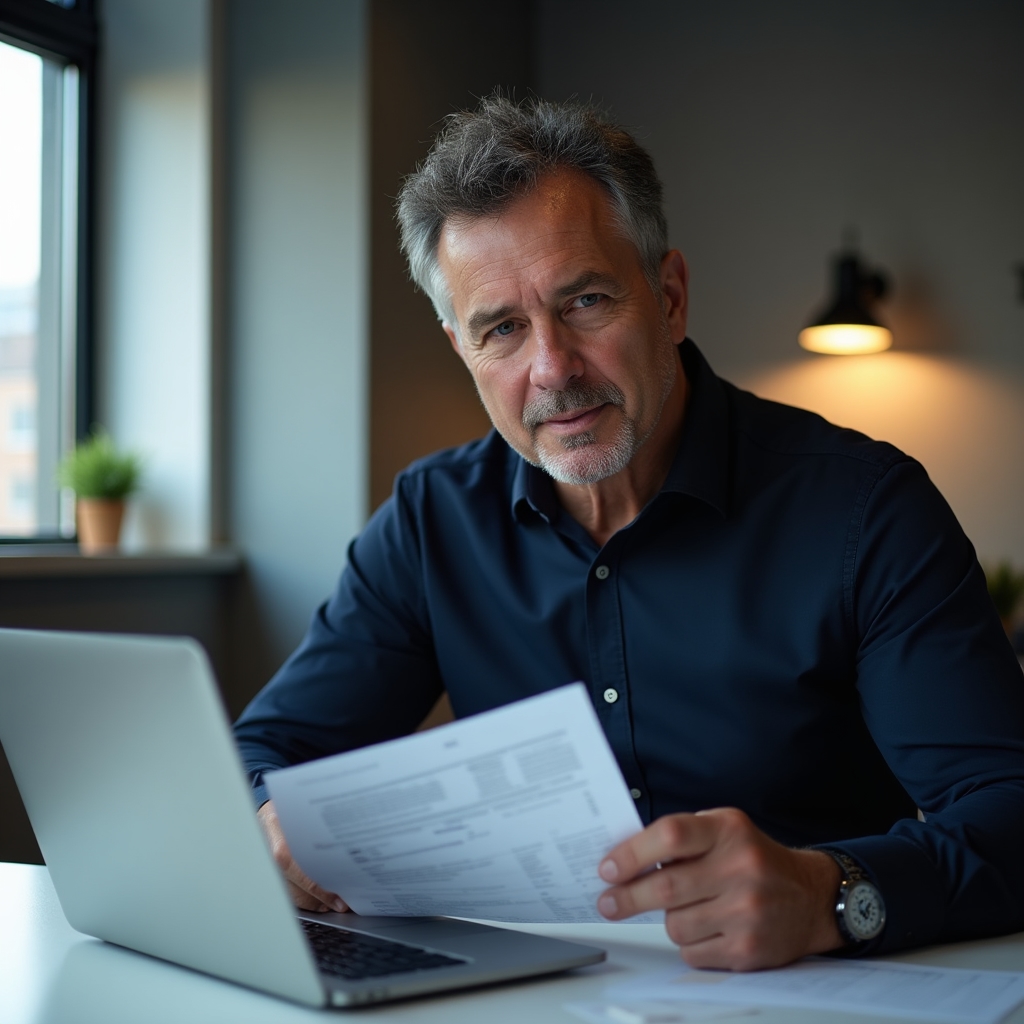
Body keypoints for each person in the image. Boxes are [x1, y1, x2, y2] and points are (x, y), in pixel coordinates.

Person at [234, 96, 1024, 970]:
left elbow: (1010, 809)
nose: (553, 369)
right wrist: (274, 817)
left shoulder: (867, 511)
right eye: (502, 329)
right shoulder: (432, 519)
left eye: (586, 302)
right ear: (461, 345)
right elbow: (267, 750)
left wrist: (829, 891)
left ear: (670, 296)